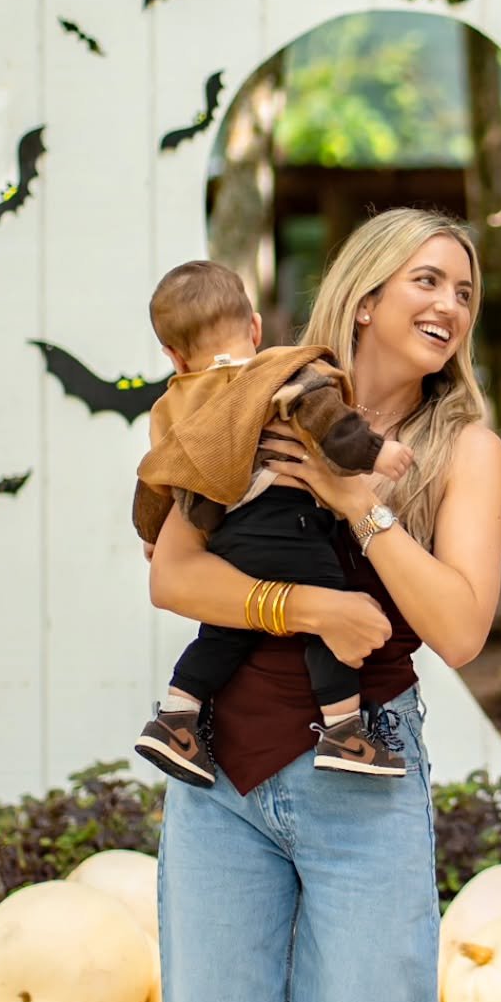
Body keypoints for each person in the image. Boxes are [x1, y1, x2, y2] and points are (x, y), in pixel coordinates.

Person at [148, 210, 501, 1002]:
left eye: (465, 287)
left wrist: (364, 509)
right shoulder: (258, 395)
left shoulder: (465, 447)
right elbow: (174, 576)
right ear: (363, 294)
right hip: (219, 773)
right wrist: (306, 604)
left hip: (363, 773)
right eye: (427, 277)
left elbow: (458, 628)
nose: (450, 301)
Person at [131, 260, 415, 786]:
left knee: (226, 627)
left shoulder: (173, 406)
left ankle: (176, 715)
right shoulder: (279, 373)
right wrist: (377, 454)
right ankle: (344, 731)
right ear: (256, 328)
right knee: (328, 613)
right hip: (287, 521)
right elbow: (329, 424)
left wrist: (151, 537)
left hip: (226, 538)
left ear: (172, 355)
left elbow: (154, 480)